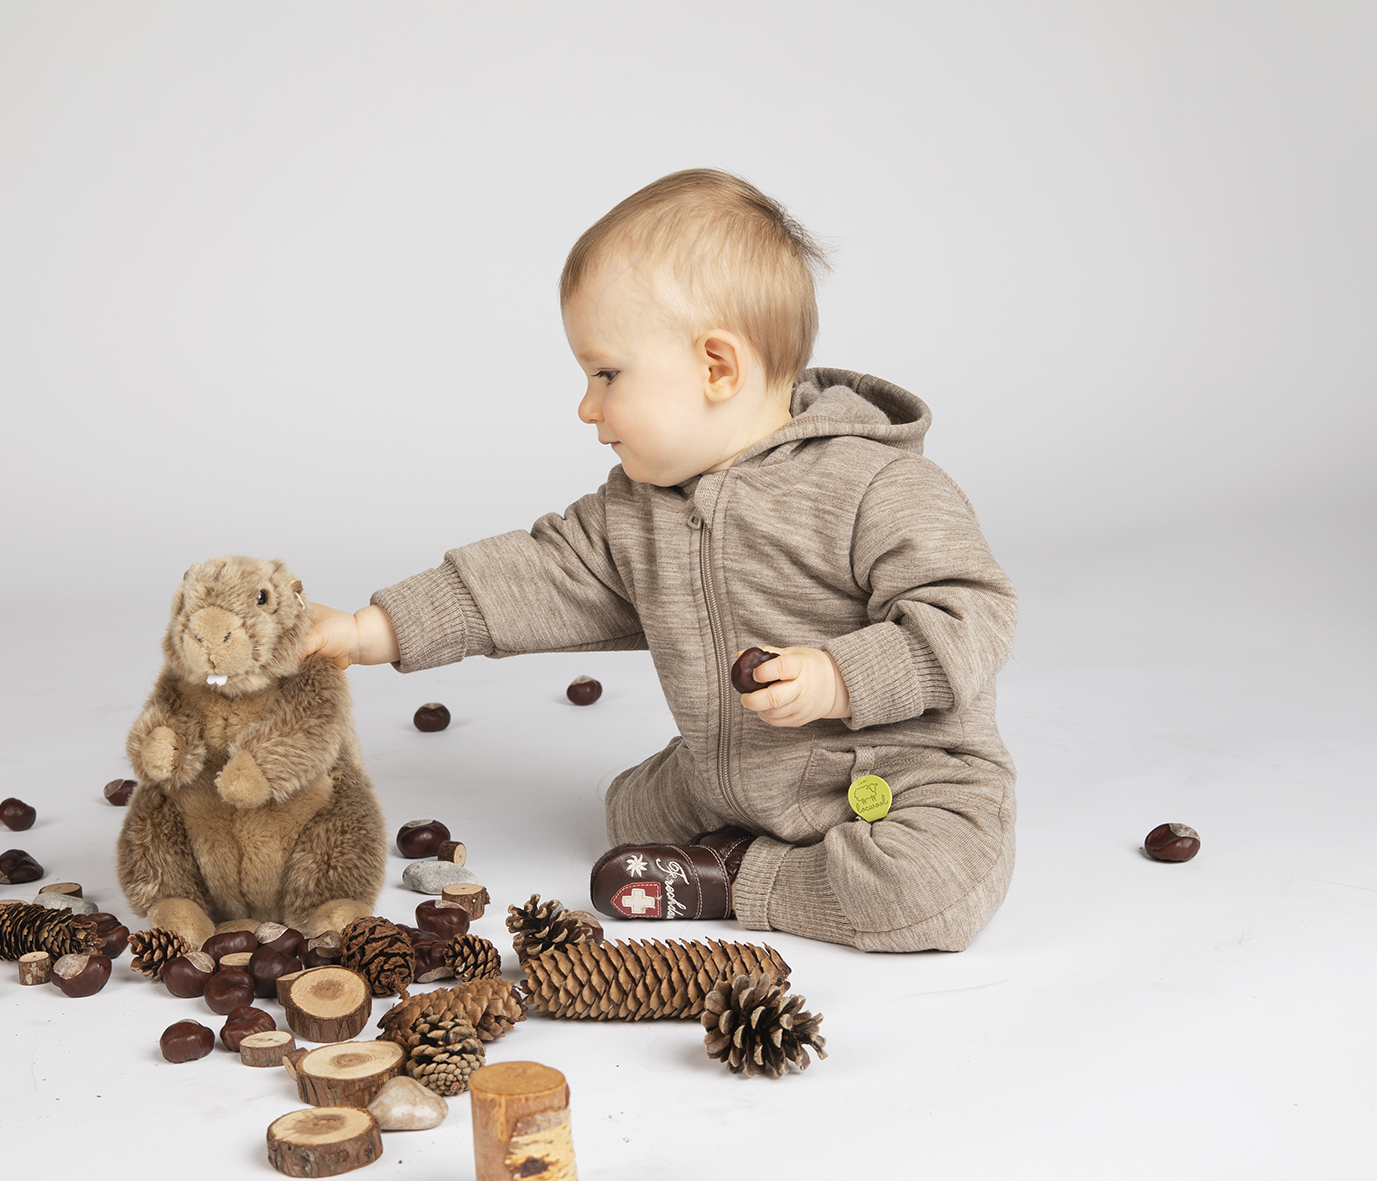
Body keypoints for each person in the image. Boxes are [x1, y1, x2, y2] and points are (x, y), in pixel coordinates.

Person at [299, 169, 1016, 952]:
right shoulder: (638, 510)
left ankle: (738, 876)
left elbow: (972, 614)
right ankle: (722, 816)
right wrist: (370, 629)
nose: (586, 405)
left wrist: (839, 677)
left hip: (896, 777)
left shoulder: (877, 485)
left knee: (927, 892)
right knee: (629, 816)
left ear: (717, 367)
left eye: (605, 373)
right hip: (733, 770)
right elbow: (529, 577)